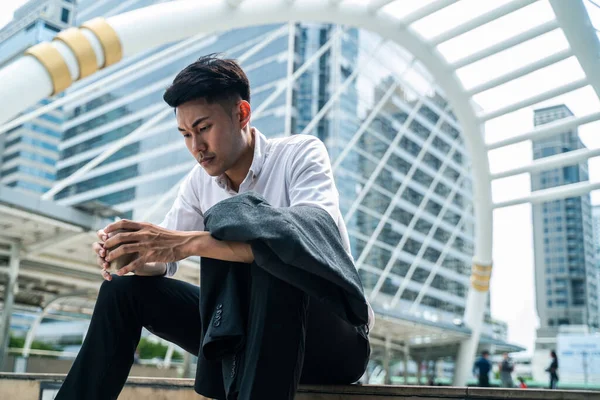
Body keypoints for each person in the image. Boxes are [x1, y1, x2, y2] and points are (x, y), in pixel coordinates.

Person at [55, 54, 372, 400]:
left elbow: (314, 233)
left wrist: (189, 243)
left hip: (332, 342)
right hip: (245, 334)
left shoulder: (300, 153)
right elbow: (165, 259)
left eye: (204, 128)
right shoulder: (198, 183)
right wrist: (133, 251)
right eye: (186, 134)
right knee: (121, 291)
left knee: (274, 258)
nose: (196, 147)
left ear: (242, 114)